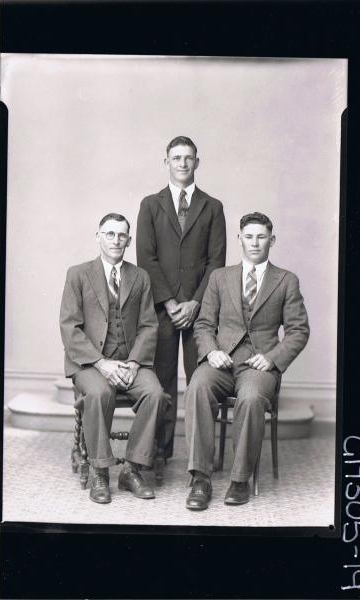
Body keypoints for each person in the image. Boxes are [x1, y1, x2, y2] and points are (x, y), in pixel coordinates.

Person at [184, 212, 310, 510]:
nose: (255, 243)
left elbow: (298, 330)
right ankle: (200, 478)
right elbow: (203, 325)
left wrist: (273, 358)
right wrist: (212, 351)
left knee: (252, 398)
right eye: (249, 236)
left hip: (259, 365)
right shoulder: (220, 277)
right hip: (222, 360)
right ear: (239, 239)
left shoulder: (286, 280)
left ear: (272, 240)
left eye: (261, 236)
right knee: (197, 386)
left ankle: (239, 480)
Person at [60, 213, 170, 504]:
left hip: (131, 360)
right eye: (109, 234)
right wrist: (101, 363)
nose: (115, 240)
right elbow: (69, 326)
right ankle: (99, 471)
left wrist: (134, 363)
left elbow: (149, 325)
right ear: (98, 236)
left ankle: (132, 469)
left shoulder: (140, 276)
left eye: (121, 235)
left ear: (129, 240)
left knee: (156, 394)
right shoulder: (78, 274)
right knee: (98, 392)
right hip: (90, 363)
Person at [136, 136, 226, 459]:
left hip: (199, 311)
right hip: (161, 310)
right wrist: (171, 303)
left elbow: (217, 262)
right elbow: (147, 258)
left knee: (202, 380)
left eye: (188, 158)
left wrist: (195, 303)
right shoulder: (150, 205)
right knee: (160, 380)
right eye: (176, 158)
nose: (183, 164)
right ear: (166, 163)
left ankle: (199, 457)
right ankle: (159, 452)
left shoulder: (213, 207)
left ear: (197, 163)